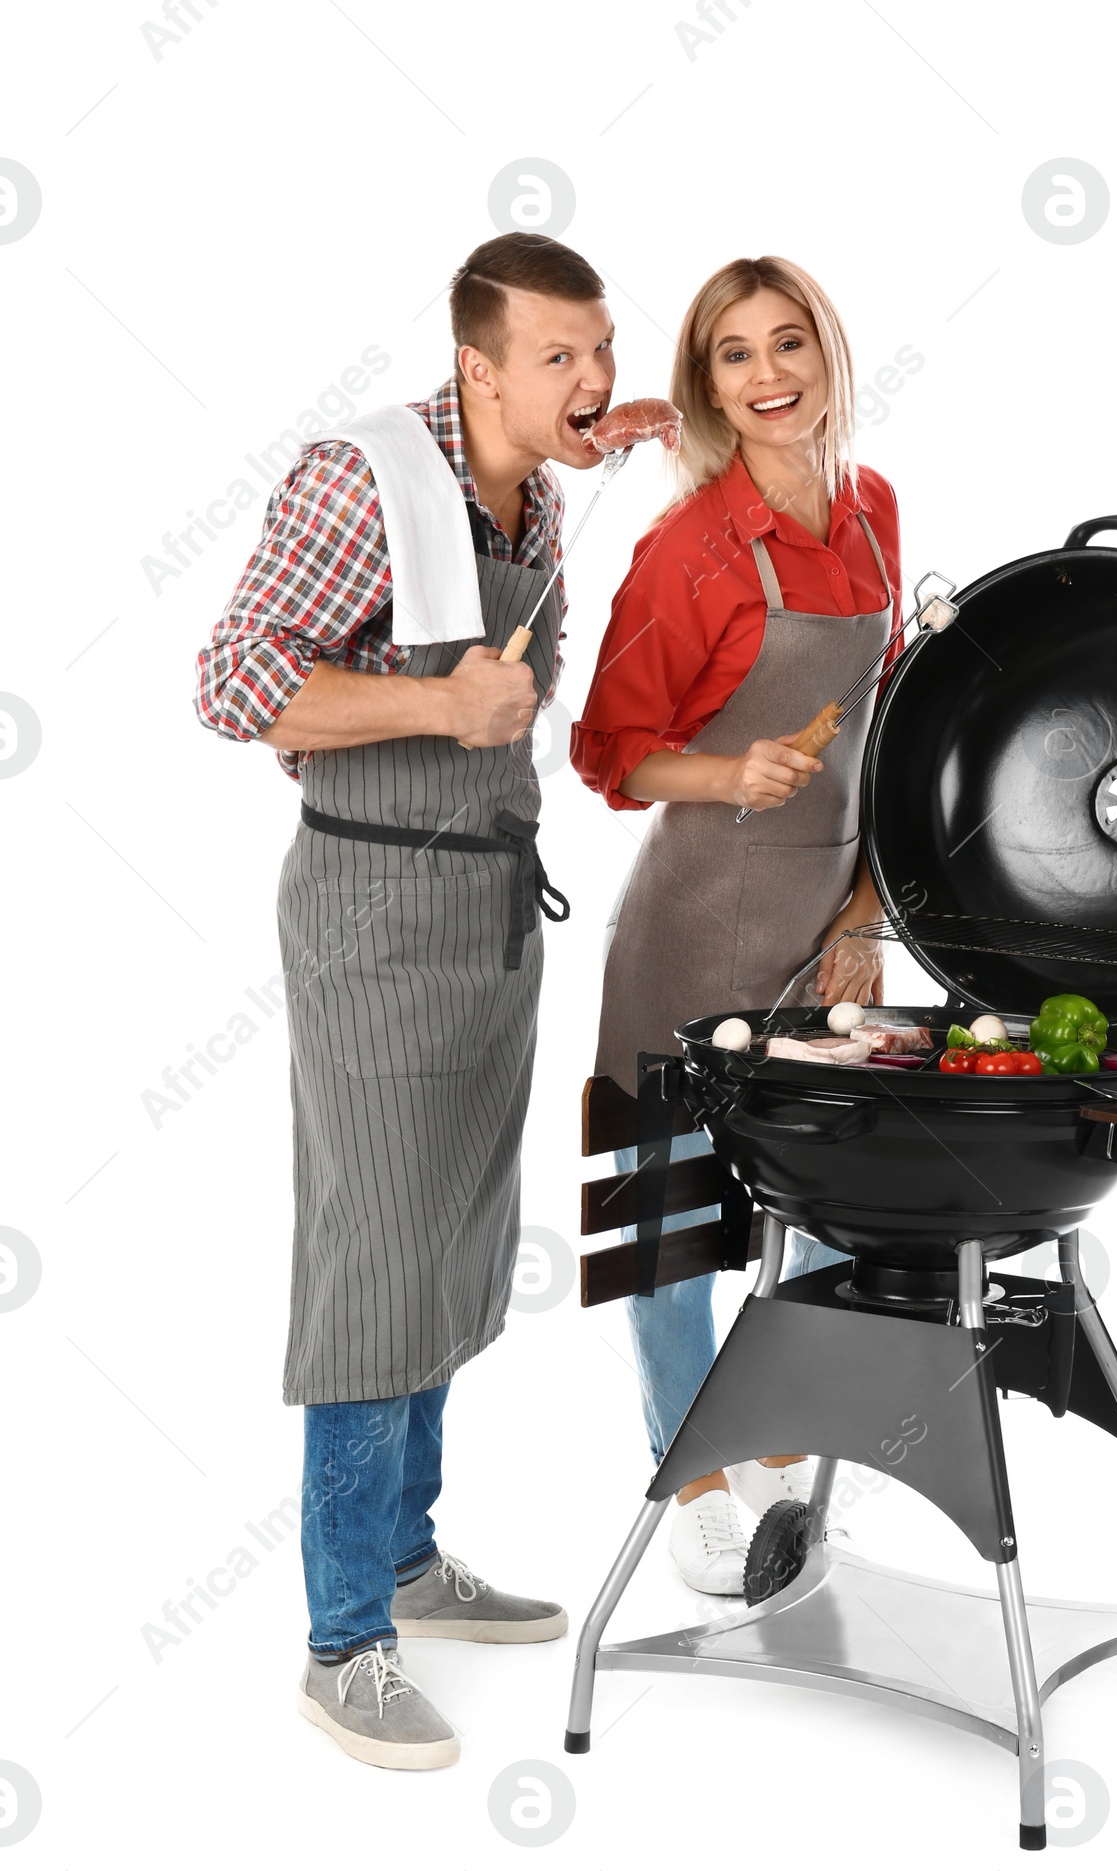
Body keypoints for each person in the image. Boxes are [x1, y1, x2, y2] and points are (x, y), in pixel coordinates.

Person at [195, 233, 616, 1769]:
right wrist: (440, 704)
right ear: (477, 367)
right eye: (559, 355)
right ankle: (340, 1638)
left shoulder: (539, 493)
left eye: (602, 351)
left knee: (451, 1239)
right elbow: (234, 678)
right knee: (374, 1260)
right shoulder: (358, 478)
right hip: (372, 914)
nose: (592, 379)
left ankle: (408, 1558)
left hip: (488, 912)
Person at [573, 256, 901, 1594]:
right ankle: (691, 1472)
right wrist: (726, 773)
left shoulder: (871, 509)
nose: (768, 379)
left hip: (823, 930)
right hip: (690, 928)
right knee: (668, 1224)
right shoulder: (688, 549)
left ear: (826, 352)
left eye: (789, 346)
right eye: (732, 356)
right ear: (703, 381)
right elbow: (609, 751)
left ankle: (768, 1443)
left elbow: (879, 726)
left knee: (824, 1211)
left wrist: (870, 912)